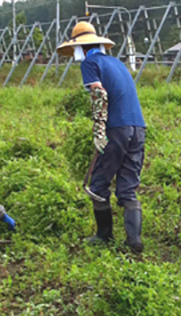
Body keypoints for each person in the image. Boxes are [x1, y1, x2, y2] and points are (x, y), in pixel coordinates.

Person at [57, 22, 147, 253]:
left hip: (116, 129)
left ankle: (104, 236)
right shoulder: (117, 63)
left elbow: (99, 94)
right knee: (128, 186)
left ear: (81, 47)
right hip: (138, 128)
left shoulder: (90, 63)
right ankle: (134, 241)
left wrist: (99, 130)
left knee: (98, 184)